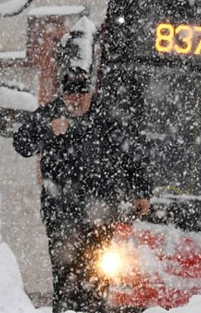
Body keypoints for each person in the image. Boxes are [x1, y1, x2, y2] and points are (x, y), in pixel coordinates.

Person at [14, 19, 151, 313]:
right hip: (61, 214)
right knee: (65, 283)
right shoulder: (50, 114)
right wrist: (48, 130)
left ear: (91, 92)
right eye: (69, 94)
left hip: (99, 215)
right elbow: (22, 144)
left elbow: (132, 154)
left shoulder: (106, 119)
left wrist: (142, 191)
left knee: (99, 282)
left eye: (80, 94)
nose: (74, 100)